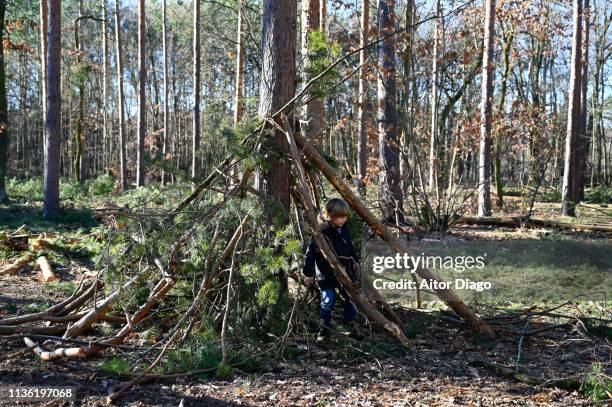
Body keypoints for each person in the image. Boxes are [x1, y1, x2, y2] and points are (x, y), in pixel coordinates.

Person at [303, 198, 363, 342]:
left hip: (345, 272)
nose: (344, 219)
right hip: (326, 274)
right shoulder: (321, 233)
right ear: (330, 215)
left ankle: (351, 324)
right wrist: (308, 273)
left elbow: (349, 247)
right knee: (327, 300)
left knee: (351, 296)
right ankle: (325, 328)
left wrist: (355, 261)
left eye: (345, 216)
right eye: (341, 217)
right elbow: (310, 254)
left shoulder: (345, 230)